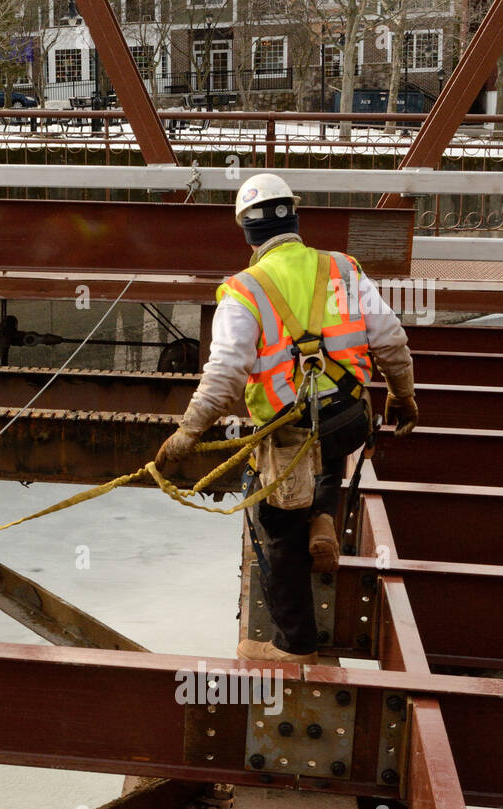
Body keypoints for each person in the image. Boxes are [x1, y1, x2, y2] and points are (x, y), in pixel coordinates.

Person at [154, 173, 419, 664]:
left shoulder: (244, 290)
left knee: (277, 526)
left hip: (291, 432)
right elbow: (389, 338)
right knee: (327, 451)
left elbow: (227, 371)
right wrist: (403, 395)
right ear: (295, 218)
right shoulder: (342, 268)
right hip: (350, 418)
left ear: (247, 233)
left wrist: (190, 429)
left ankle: (293, 645)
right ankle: (323, 517)